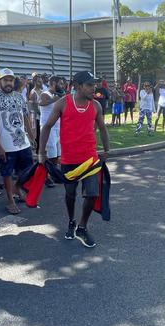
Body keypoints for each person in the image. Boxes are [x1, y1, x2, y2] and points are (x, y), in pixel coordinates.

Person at [38, 71, 110, 248]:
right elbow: (46, 127)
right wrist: (41, 152)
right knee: (70, 194)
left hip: (90, 159)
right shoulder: (63, 104)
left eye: (94, 84)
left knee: (92, 194)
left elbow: (102, 128)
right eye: (89, 85)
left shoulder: (96, 106)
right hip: (69, 160)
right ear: (77, 86)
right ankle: (71, 221)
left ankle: (82, 227)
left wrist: (107, 149)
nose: (94, 88)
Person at [0, 68, 36, 215]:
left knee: (26, 171)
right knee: (7, 174)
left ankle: (17, 189)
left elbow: (25, 117)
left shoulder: (20, 97)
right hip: (6, 146)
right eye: (5, 80)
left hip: (23, 142)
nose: (8, 83)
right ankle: (10, 201)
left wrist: (32, 137)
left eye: (11, 80)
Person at [38, 75, 65, 187]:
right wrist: (53, 100)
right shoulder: (45, 93)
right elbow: (41, 102)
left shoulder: (59, 94)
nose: (62, 86)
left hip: (57, 127)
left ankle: (53, 175)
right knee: (50, 154)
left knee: (57, 154)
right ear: (53, 83)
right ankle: (45, 177)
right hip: (48, 128)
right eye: (60, 83)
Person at [29, 74, 44, 147]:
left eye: (41, 81)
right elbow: (34, 107)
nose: (41, 83)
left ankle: (40, 150)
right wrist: (42, 114)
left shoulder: (41, 91)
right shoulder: (33, 92)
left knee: (41, 134)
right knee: (37, 134)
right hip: (35, 116)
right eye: (39, 82)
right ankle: (37, 151)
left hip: (40, 115)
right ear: (35, 82)